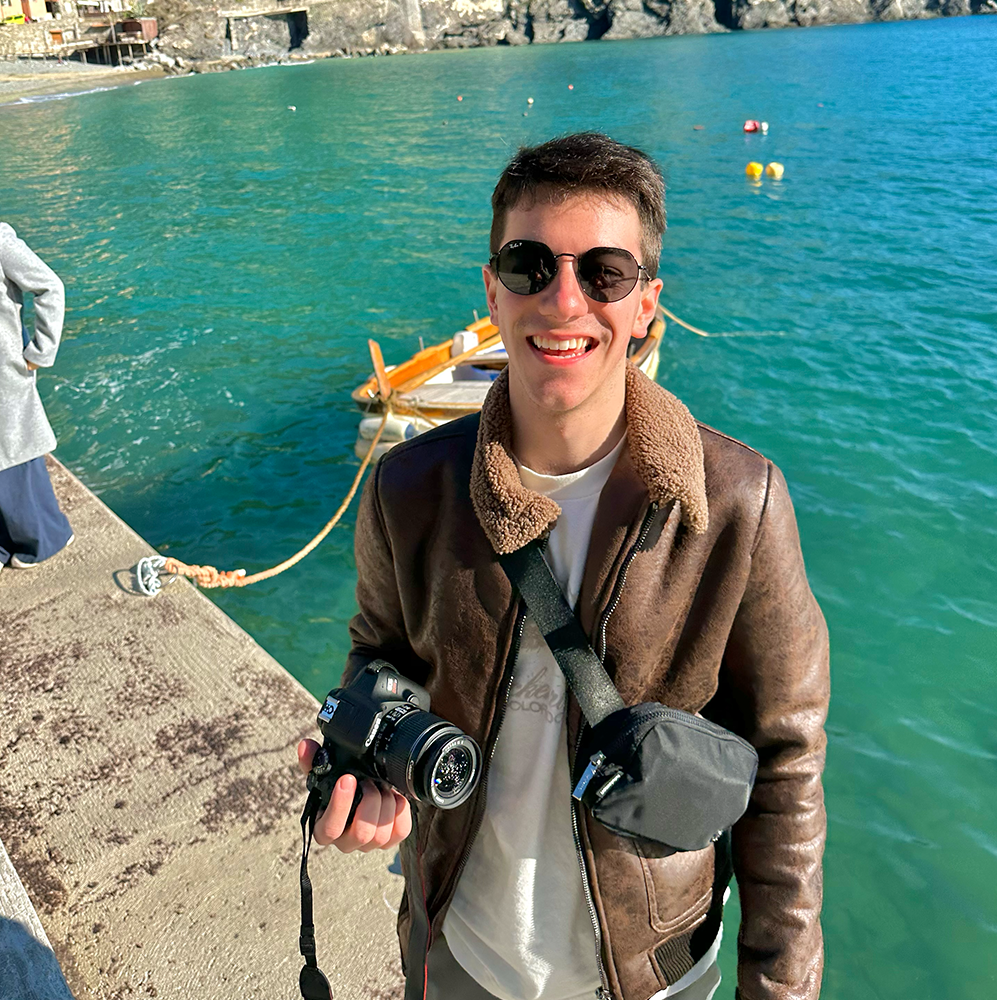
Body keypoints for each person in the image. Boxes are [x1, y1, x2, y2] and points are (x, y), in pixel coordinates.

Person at [298, 133, 829, 1000]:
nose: (564, 299)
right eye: (529, 264)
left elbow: (786, 761)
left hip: (649, 970)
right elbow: (379, 653)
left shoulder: (741, 503)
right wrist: (366, 758)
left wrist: (778, 987)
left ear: (646, 305)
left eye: (604, 273)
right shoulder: (409, 487)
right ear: (492, 291)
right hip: (456, 943)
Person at [0, 222, 73, 580]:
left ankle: (43, 541)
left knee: (12, 459)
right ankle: (4, 541)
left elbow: (50, 287)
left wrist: (40, 353)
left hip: (2, 377)